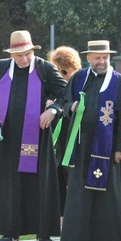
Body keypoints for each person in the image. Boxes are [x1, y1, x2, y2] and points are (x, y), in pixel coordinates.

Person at [0, 30, 67, 241]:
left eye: (27, 54)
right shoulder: (0, 68)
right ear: (11, 55)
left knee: (40, 183)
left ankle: (43, 233)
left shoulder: (44, 68)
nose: (24, 59)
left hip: (38, 137)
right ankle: (10, 232)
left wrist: (54, 110)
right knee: (10, 185)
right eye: (19, 55)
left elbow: (66, 94)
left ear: (32, 50)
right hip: (7, 139)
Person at [60, 40, 121, 241]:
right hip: (81, 146)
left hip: (108, 148)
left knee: (109, 196)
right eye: (97, 58)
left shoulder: (120, 82)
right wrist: (70, 107)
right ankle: (84, 240)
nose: (102, 61)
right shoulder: (78, 78)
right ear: (88, 59)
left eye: (105, 57)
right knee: (81, 194)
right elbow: (64, 102)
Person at [48, 46, 83, 224]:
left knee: (72, 176)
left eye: (65, 71)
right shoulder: (51, 84)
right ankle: (61, 220)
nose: (62, 76)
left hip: (74, 137)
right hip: (56, 139)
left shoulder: (80, 83)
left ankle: (74, 218)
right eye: (58, 71)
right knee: (57, 176)